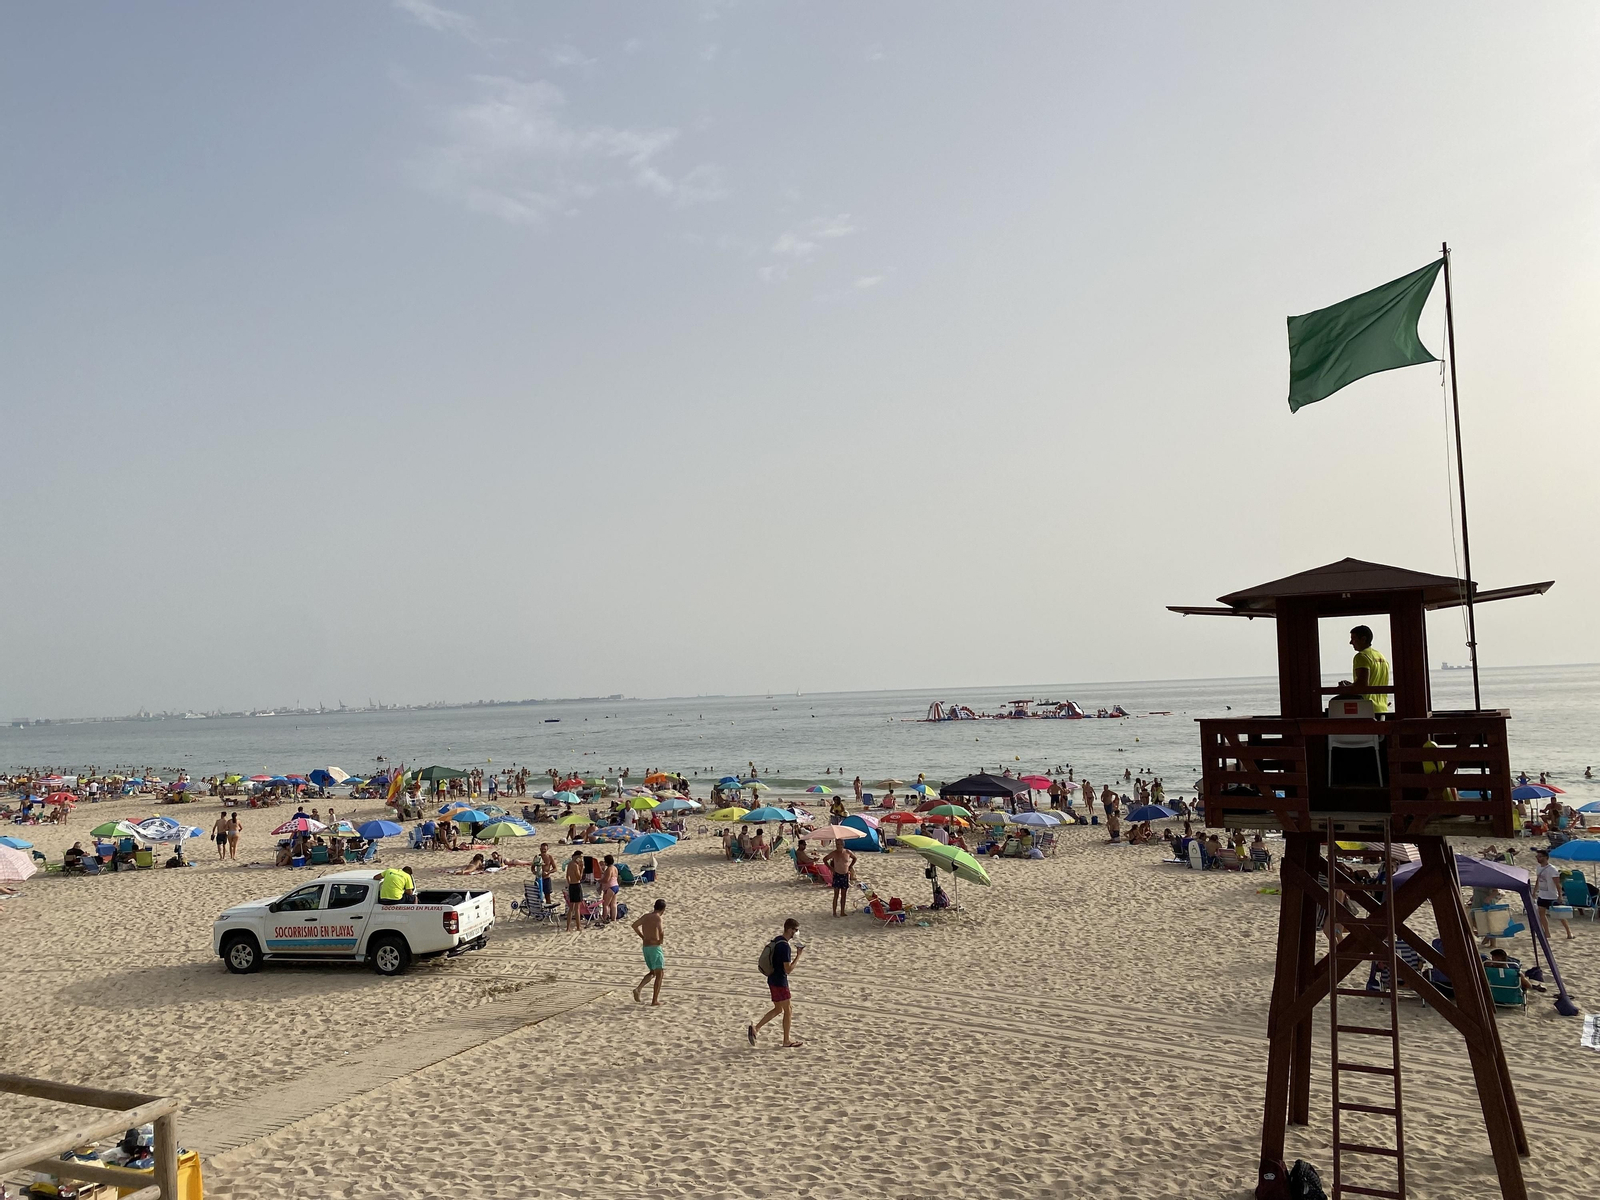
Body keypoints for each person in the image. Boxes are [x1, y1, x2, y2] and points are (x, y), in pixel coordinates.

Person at [748, 917, 804, 1049]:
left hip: (772, 979)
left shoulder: (777, 939)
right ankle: (786, 1041)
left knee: (779, 1009)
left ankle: (756, 1028)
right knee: (788, 1010)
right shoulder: (785, 947)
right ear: (790, 930)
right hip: (780, 981)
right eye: (795, 930)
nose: (796, 933)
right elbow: (788, 969)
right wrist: (798, 956)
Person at [1339, 624, 1392, 713]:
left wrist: (1344, 689)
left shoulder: (1361, 656)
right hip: (1382, 708)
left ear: (1363, 639)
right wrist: (1352, 684)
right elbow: (1371, 682)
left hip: (1367, 708)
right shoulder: (1381, 657)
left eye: (1353, 639)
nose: (1351, 642)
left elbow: (1362, 685)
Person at [631, 898, 668, 1005]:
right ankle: (654, 1000)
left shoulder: (646, 917)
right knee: (660, 973)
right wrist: (661, 940)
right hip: (654, 947)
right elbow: (661, 931)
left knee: (653, 972)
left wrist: (643, 937)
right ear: (663, 909)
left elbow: (634, 925)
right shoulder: (658, 918)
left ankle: (638, 988)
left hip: (646, 947)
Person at [1533, 850, 1572, 940]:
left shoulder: (1552, 870)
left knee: (1561, 916)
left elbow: (1558, 884)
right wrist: (1534, 892)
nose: (1538, 858)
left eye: (1540, 856)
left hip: (1552, 896)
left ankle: (1569, 932)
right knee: (1541, 914)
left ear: (1546, 858)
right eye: (1537, 856)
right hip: (1542, 895)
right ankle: (1547, 933)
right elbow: (1538, 880)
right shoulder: (1538, 867)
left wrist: (1560, 895)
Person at [824, 842, 856, 916]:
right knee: (836, 894)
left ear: (842, 845)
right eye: (837, 844)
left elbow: (854, 858)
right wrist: (831, 869)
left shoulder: (847, 852)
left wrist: (850, 866)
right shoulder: (834, 853)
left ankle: (842, 911)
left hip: (845, 875)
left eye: (839, 844)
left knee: (844, 895)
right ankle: (834, 912)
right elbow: (825, 859)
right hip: (837, 875)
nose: (838, 846)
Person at [565, 850, 585, 931]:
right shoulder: (575, 865)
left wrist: (570, 883)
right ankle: (578, 926)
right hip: (576, 885)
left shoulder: (569, 864)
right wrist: (582, 868)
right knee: (577, 908)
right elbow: (579, 877)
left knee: (571, 908)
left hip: (571, 885)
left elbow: (567, 876)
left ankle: (568, 927)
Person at [601, 854, 620, 922]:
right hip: (616, 886)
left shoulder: (609, 869)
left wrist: (599, 880)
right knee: (613, 904)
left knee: (606, 904)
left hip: (610, 887)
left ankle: (605, 918)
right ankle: (613, 918)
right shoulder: (615, 868)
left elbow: (606, 880)